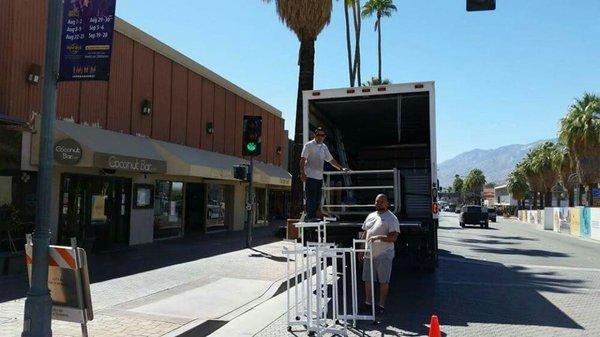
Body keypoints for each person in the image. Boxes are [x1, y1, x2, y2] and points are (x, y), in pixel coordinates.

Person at [359, 194, 400, 315]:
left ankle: (381, 306)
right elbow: (365, 233)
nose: (379, 203)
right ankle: (368, 304)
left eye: (382, 201)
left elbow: (394, 237)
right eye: (377, 201)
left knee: (383, 281)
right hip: (369, 253)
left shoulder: (391, 218)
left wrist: (379, 237)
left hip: (384, 254)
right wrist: (361, 250)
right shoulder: (370, 216)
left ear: (387, 203)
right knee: (367, 279)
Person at [300, 127, 348, 221]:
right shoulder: (309, 145)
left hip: (319, 177)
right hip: (310, 176)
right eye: (318, 135)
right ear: (315, 135)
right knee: (311, 197)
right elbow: (302, 159)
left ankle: (315, 215)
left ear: (325, 136)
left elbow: (331, 160)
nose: (320, 137)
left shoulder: (324, 147)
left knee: (318, 198)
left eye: (322, 135)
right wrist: (302, 173)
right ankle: (310, 216)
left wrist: (341, 168)